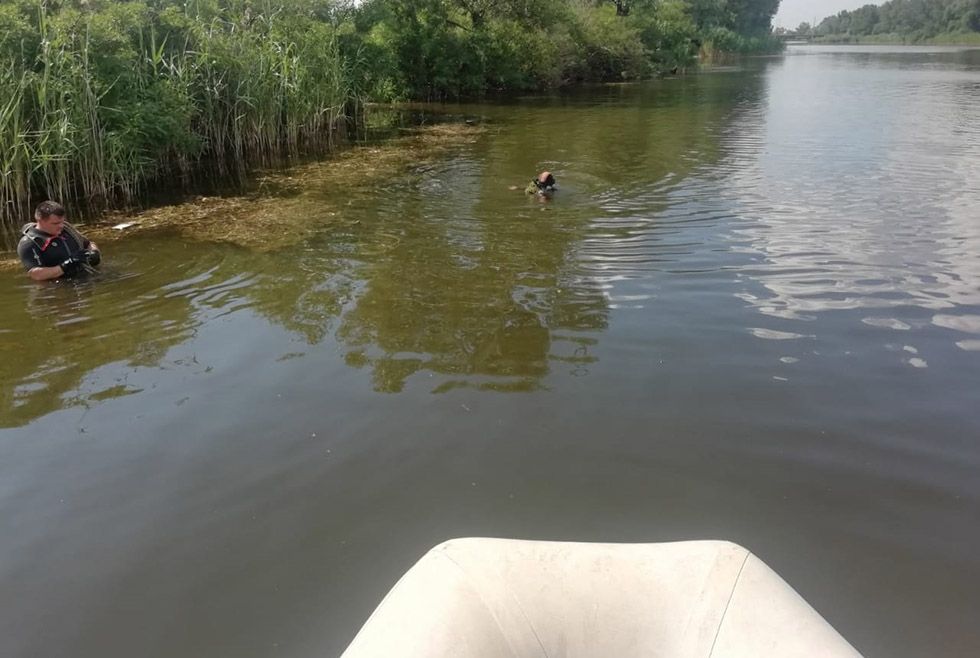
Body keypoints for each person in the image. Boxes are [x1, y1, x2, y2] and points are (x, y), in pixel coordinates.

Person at [18, 201, 101, 281]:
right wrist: (67, 264)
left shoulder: (67, 229)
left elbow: (88, 243)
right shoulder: (29, 243)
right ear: (41, 221)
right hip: (59, 287)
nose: (61, 226)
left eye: (62, 222)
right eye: (55, 223)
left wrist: (94, 252)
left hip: (86, 277)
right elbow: (36, 274)